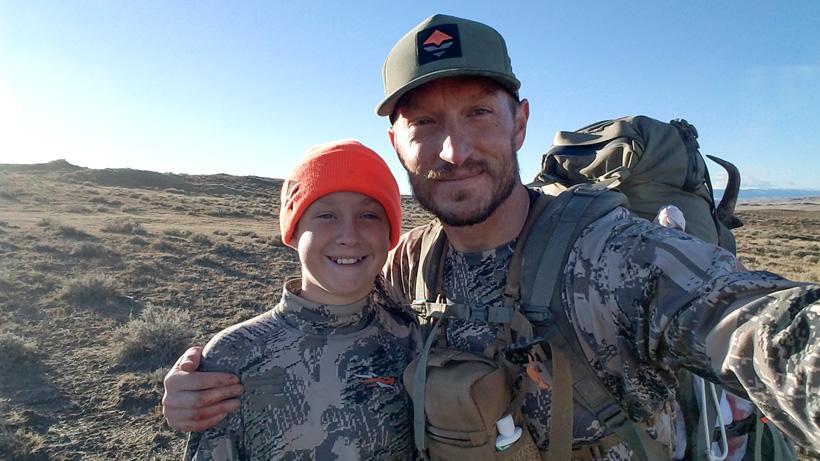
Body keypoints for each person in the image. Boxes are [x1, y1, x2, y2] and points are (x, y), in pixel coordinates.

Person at [165, 14, 820, 459]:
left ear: (520, 122)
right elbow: (324, 323)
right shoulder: (408, 268)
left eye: (478, 111)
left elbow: (752, 319)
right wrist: (200, 383)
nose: (454, 148)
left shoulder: (608, 253)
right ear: (396, 144)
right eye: (424, 122)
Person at [183, 140, 418, 460]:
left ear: (390, 235)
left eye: (369, 215)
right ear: (293, 233)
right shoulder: (235, 356)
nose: (349, 234)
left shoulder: (411, 340)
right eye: (326, 215)